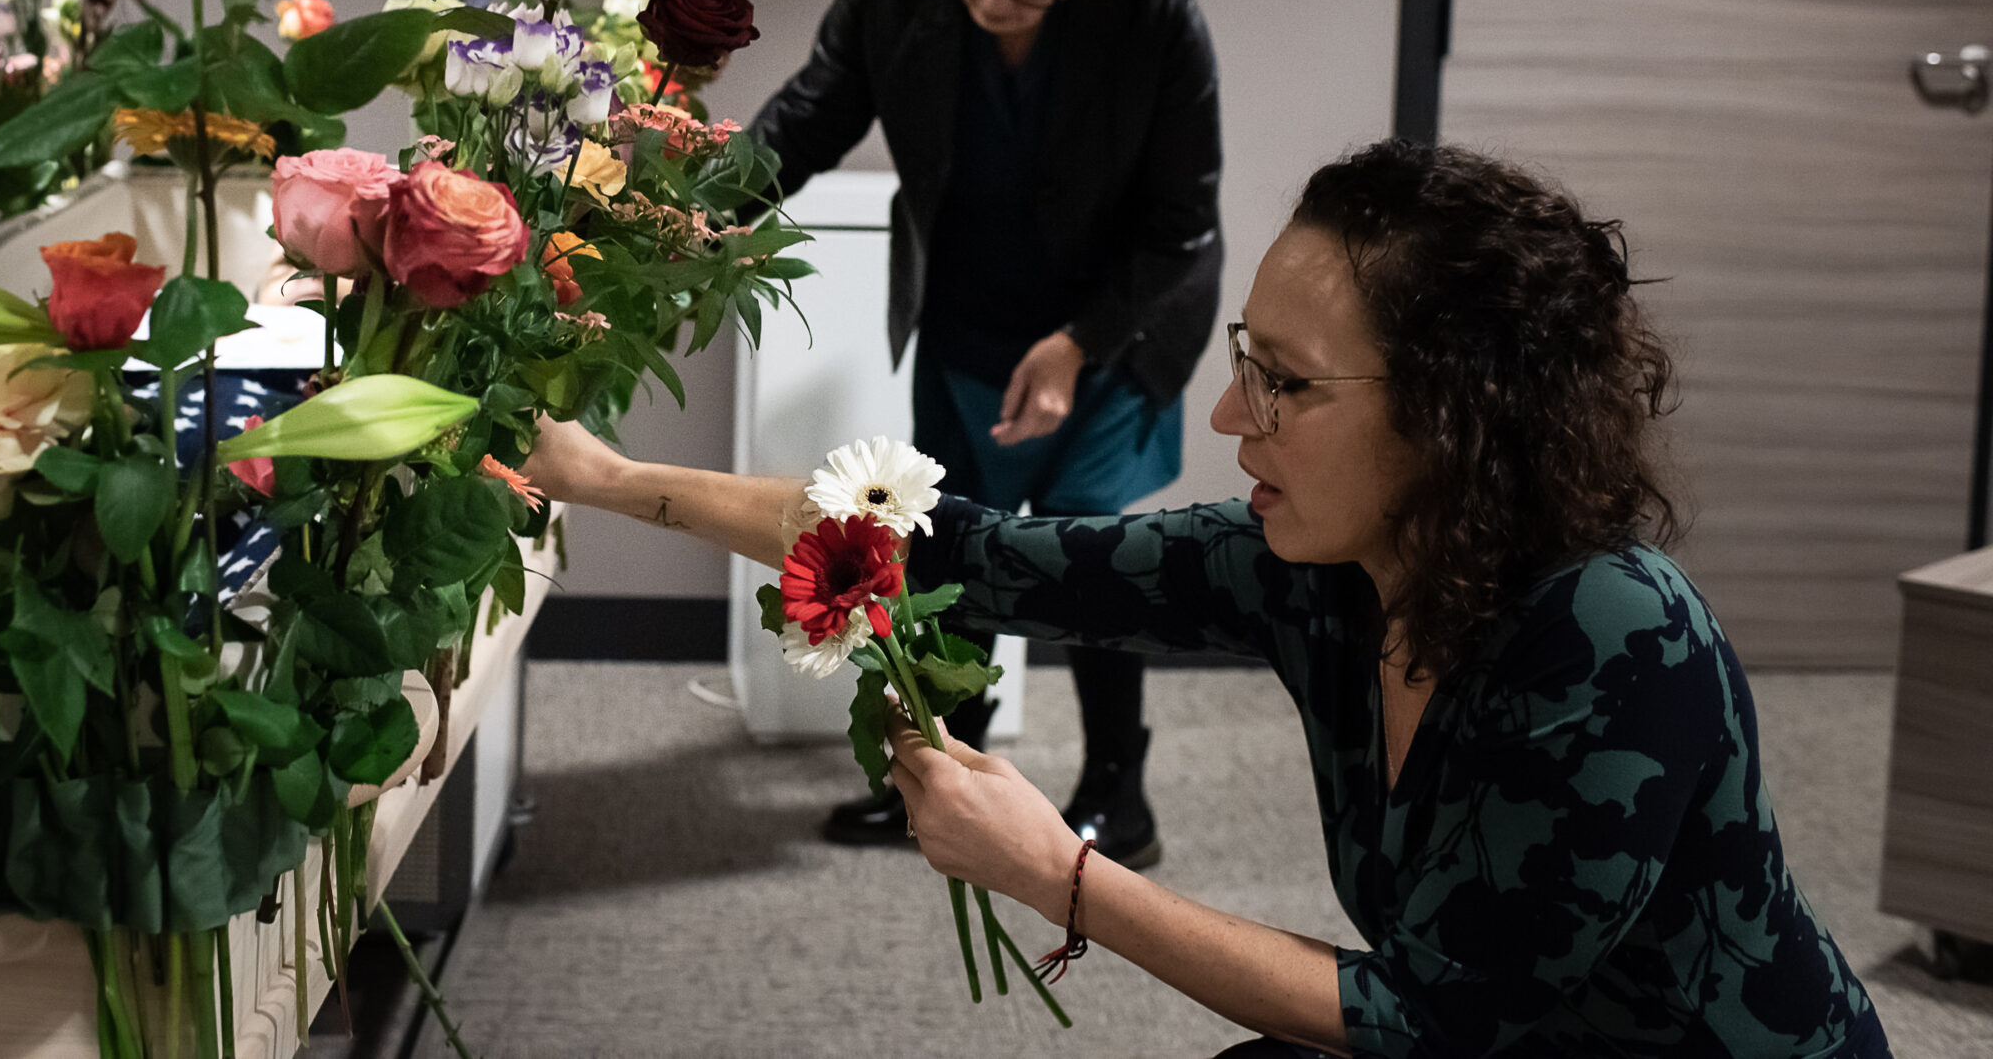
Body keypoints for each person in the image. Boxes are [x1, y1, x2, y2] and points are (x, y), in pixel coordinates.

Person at [521, 141, 1887, 1056]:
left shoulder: (1611, 631)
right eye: (1245, 360)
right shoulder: (1317, 572)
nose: (1231, 414)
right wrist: (611, 474)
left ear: (1459, 420)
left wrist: (1056, 872)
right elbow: (954, 547)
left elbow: (1425, 1018)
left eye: (1286, 382)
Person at [748, 0, 1221, 864]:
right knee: (949, 544)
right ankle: (942, 781)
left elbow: (1182, 224)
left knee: (1087, 556)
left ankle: (1117, 791)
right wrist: (696, 208)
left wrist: (1077, 346)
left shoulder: (1155, 19)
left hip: (1116, 328)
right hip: (967, 308)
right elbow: (817, 107)